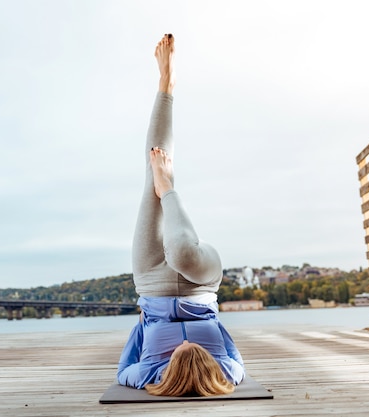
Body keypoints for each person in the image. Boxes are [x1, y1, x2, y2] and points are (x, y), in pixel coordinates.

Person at [117, 33, 245, 397]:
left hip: (152, 287)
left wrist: (142, 325)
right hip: (201, 286)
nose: (183, 352)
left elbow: (123, 367)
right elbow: (228, 341)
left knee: (149, 175)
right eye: (194, 357)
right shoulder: (228, 372)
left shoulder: (148, 376)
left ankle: (165, 86)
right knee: (183, 252)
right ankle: (169, 189)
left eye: (178, 358)